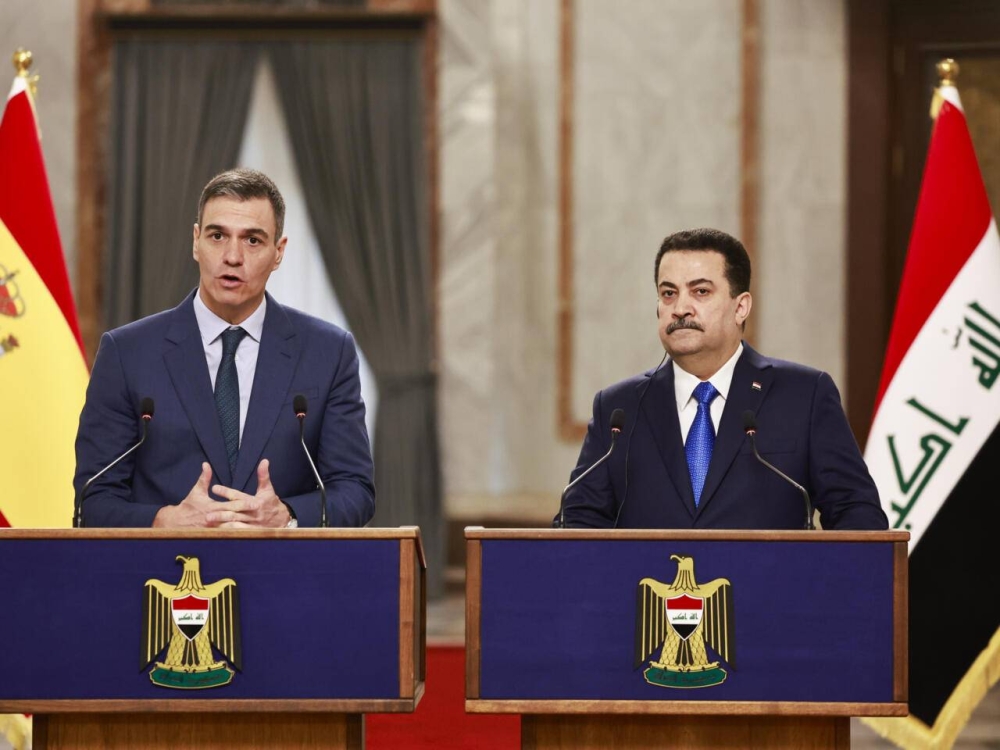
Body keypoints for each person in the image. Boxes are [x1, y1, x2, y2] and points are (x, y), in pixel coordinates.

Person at [74, 168, 375, 528]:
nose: (232, 256)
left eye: (253, 240)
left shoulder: (328, 353)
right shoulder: (127, 353)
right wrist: (163, 521)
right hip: (164, 564)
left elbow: (355, 490)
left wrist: (287, 516)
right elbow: (93, 500)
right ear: (196, 241)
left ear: (278, 252)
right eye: (217, 236)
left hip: (281, 562)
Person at [557, 227, 887, 530]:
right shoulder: (618, 409)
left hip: (770, 579)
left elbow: (858, 514)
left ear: (740, 307)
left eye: (700, 291)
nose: (680, 308)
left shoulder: (804, 396)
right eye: (668, 293)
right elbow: (577, 522)